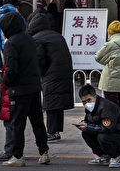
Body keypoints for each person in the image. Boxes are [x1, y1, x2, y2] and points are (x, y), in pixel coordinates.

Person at [0, 12, 50, 167]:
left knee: (17, 124)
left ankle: (17, 156)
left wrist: (4, 81)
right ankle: (44, 152)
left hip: (19, 90)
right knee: (37, 122)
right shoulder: (30, 39)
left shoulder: (11, 43)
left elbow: (11, 69)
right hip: (34, 87)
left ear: (7, 27)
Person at [27, 13, 74, 142]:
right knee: (58, 103)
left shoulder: (37, 38)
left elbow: (40, 60)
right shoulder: (57, 35)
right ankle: (56, 131)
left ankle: (52, 132)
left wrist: (40, 74)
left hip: (51, 74)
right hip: (64, 72)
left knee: (51, 103)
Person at [77, 84, 120, 168]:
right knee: (86, 133)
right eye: (84, 102)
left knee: (102, 136)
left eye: (89, 100)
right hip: (110, 134)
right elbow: (89, 121)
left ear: (95, 96)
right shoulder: (90, 107)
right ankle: (104, 156)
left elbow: (108, 128)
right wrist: (83, 124)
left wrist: (88, 126)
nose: (86, 104)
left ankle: (116, 157)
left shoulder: (106, 106)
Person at [0, 63, 12, 161]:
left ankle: (9, 150)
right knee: (14, 124)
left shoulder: (11, 49)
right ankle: (16, 150)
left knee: (9, 124)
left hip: (9, 94)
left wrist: (3, 80)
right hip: (11, 93)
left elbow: (10, 72)